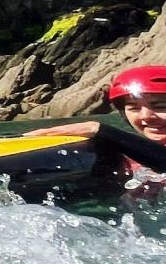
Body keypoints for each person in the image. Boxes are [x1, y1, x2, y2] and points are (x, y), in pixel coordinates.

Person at [25, 65, 166, 207]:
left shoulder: (119, 141)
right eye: (133, 108)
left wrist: (100, 130)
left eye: (160, 106)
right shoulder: (126, 158)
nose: (145, 116)